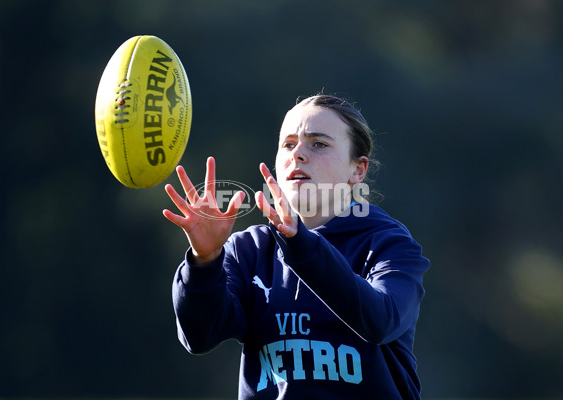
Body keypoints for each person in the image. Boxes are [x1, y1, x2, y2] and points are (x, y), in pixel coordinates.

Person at [163, 94, 430, 399]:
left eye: (319, 144)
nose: (297, 154)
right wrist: (205, 261)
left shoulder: (388, 244)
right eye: (288, 144)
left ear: (358, 170)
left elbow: (380, 320)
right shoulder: (249, 250)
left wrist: (301, 245)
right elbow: (199, 336)